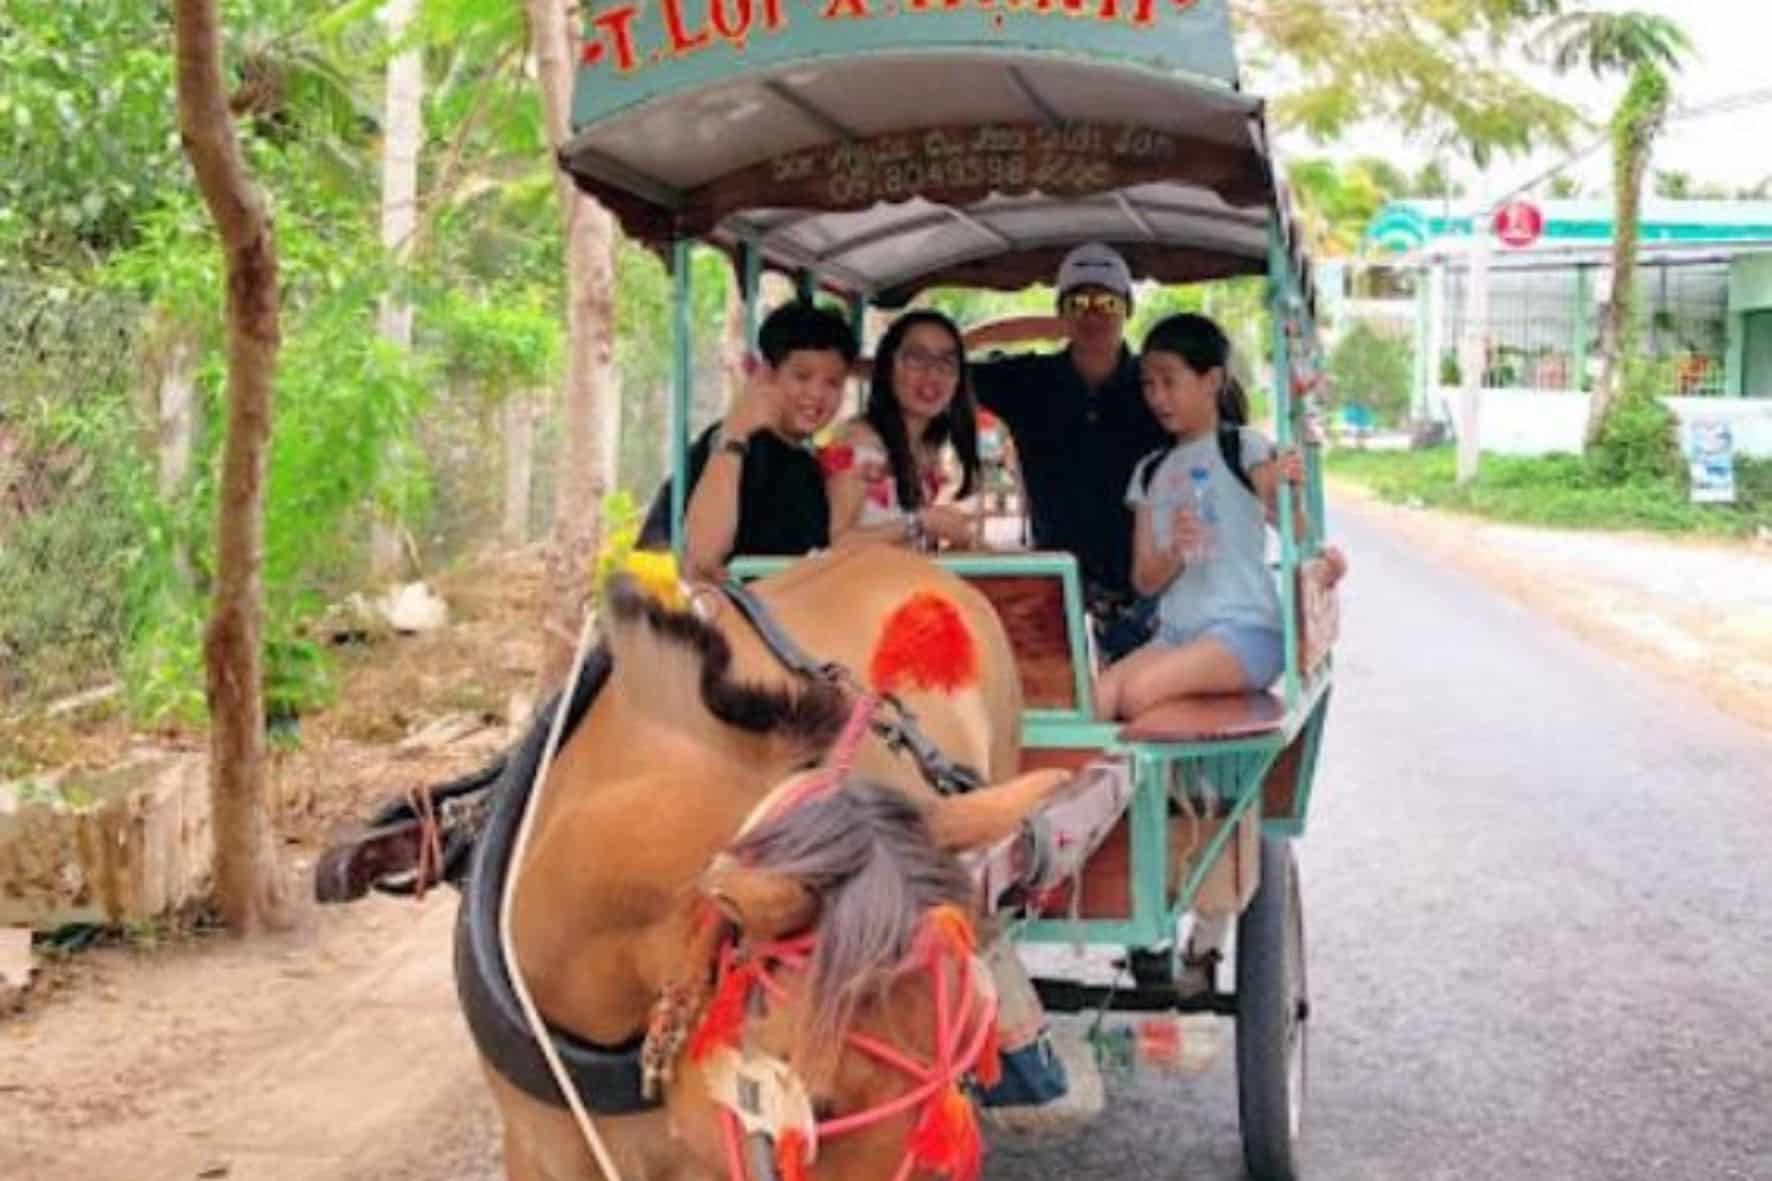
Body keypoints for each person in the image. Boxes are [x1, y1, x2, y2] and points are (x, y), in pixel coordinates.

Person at [1093, 313, 1346, 720]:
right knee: (1097, 700)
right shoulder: (1150, 472)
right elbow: (1144, 580)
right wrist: (1174, 553)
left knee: (1139, 695)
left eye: (1169, 382)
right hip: (1176, 635)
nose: (1157, 397)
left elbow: (1292, 525)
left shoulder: (1243, 448)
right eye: (1148, 385)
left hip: (1246, 632)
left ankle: (1198, 764)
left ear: (1211, 381)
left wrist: (1284, 490)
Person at [965, 242, 1170, 657]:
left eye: (1107, 302)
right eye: (1078, 303)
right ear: (1060, 312)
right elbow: (937, 368)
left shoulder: (1158, 383)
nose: (1093, 314)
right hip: (1056, 588)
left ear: (1127, 310)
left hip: (1148, 594)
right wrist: (1007, 330)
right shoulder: (1029, 380)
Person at [636, 300, 856, 579]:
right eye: (802, 377)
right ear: (767, 374)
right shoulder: (731, 444)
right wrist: (733, 437)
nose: (816, 394)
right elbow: (702, 557)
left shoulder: (806, 465)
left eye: (833, 383)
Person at [822, 309, 982, 552]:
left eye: (946, 362)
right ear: (888, 366)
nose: (932, 373)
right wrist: (921, 522)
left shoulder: (928, 448)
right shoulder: (858, 446)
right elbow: (832, 546)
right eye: (916, 358)